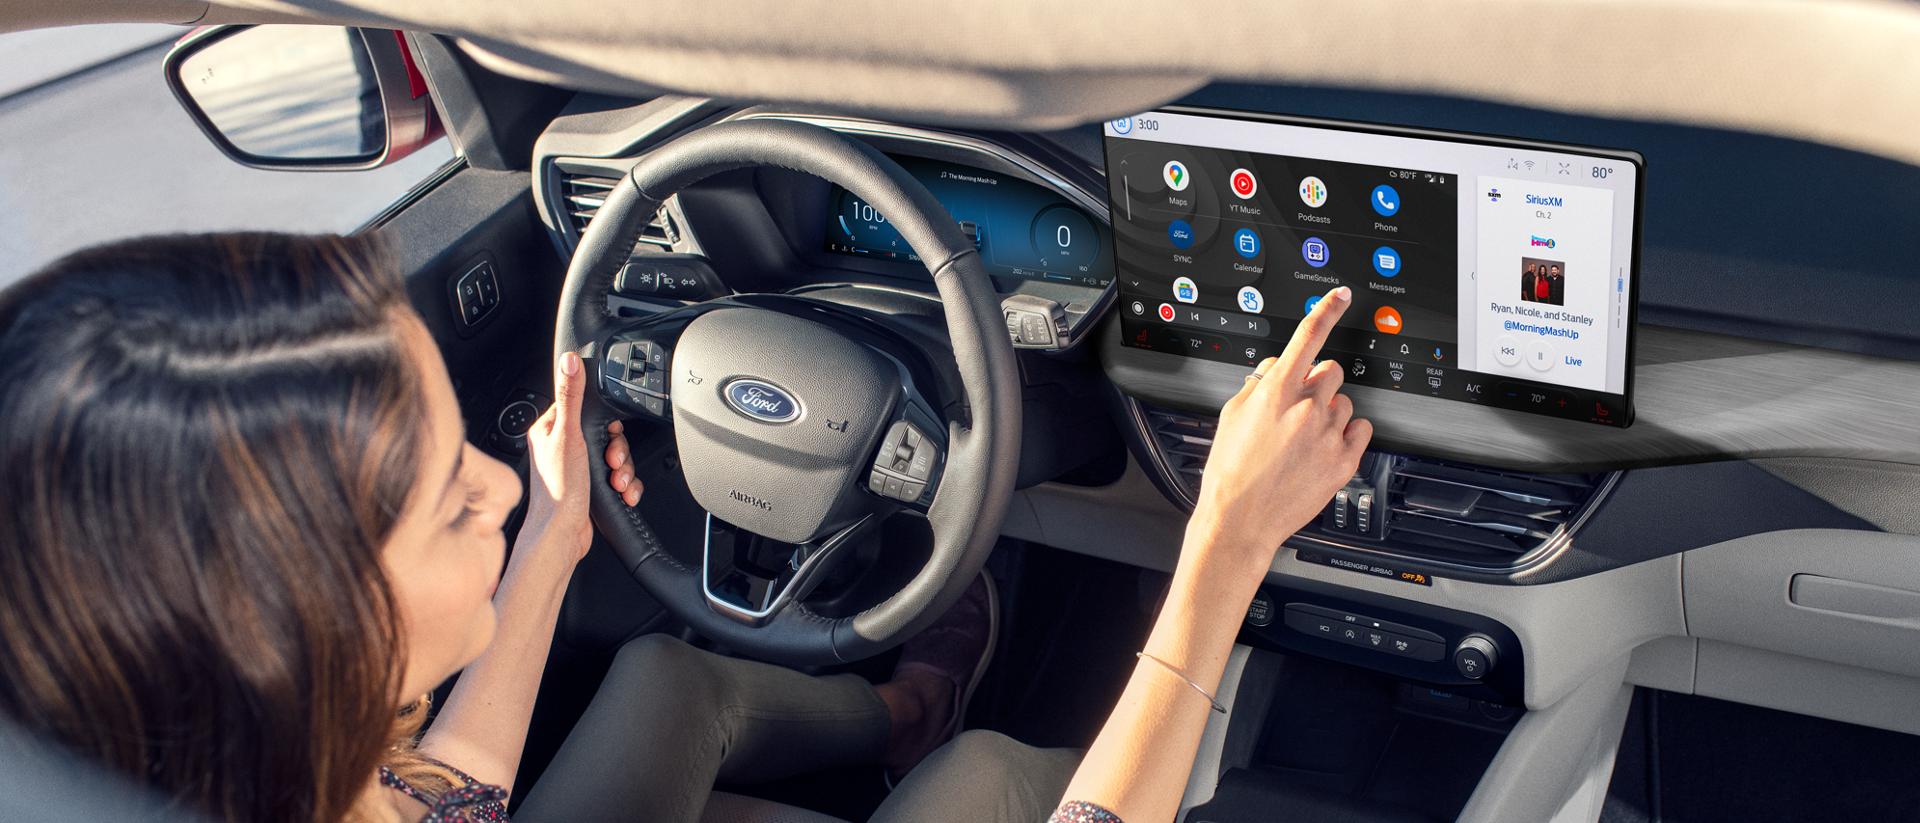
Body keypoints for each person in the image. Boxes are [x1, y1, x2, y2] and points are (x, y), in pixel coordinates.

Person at [0, 233, 1367, 823]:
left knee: (659, 672)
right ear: (284, 624)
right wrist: (1226, 545)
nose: (492, 477)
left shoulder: (294, 769)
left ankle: (902, 710)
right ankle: (962, 744)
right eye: (442, 496)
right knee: (991, 788)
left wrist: (546, 547)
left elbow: (460, 802)